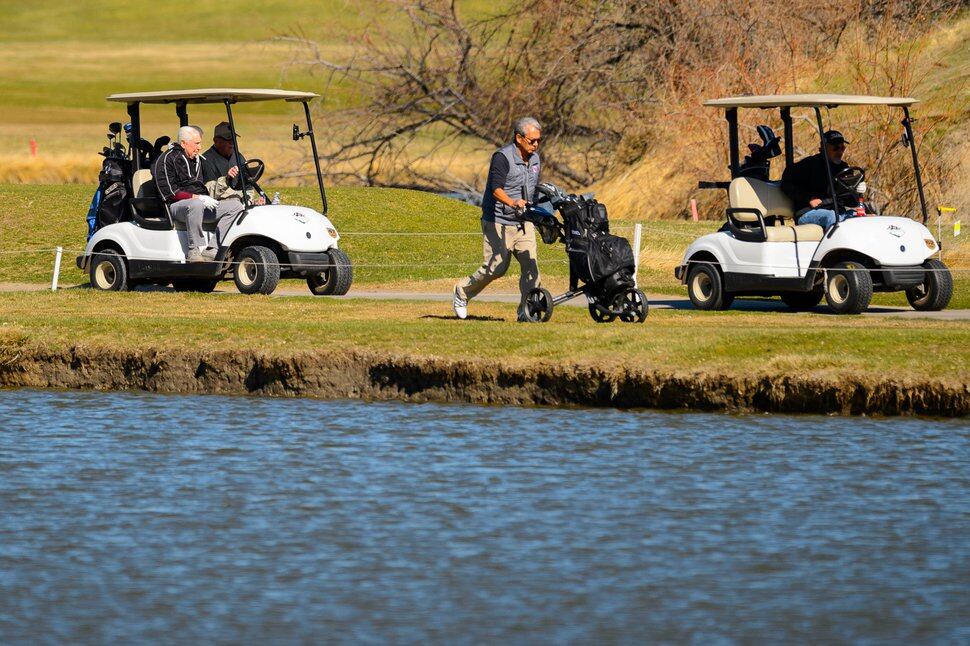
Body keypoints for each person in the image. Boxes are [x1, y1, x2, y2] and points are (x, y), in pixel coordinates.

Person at [453, 117, 543, 321]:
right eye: (532, 141)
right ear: (519, 138)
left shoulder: (535, 159)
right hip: (498, 220)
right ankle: (462, 292)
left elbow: (533, 189)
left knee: (532, 269)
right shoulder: (502, 157)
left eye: (539, 141)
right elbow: (496, 189)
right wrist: (512, 203)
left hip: (523, 221)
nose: (536, 145)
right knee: (496, 268)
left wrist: (537, 213)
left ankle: (526, 312)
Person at [153, 125, 243, 263]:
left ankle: (213, 249)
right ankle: (194, 250)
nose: (200, 147)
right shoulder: (166, 160)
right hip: (175, 207)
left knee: (235, 206)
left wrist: (207, 194)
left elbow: (201, 187)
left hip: (197, 206)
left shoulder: (196, 160)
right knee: (195, 204)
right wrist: (198, 198)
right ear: (183, 143)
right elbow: (170, 193)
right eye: (196, 143)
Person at [781, 130, 859, 230]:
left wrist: (855, 191)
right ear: (824, 147)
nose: (840, 152)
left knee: (859, 216)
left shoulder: (844, 168)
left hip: (837, 211)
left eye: (842, 148)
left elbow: (852, 203)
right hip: (809, 212)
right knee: (831, 217)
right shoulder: (809, 165)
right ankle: (835, 245)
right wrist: (809, 198)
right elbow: (786, 184)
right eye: (836, 148)